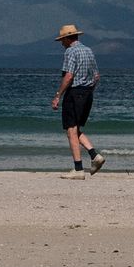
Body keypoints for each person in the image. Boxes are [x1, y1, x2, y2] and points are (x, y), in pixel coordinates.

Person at [51, 24, 105, 180]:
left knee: (70, 130)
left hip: (75, 92)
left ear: (68, 38)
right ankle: (95, 155)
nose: (62, 43)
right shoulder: (88, 50)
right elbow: (96, 76)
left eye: (62, 40)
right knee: (74, 129)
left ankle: (78, 169)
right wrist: (89, 92)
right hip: (88, 93)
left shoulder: (70, 51)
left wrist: (57, 95)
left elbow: (68, 76)